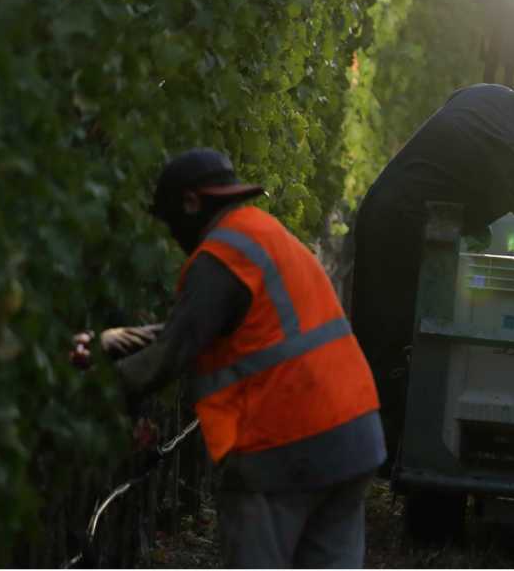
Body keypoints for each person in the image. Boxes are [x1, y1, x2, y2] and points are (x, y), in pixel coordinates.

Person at [112, 148, 386, 568]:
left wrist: (98, 385)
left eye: (170, 221)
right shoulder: (266, 234)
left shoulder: (221, 256)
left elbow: (170, 354)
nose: (172, 236)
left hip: (285, 447)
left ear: (190, 203)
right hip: (353, 435)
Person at [347, 79, 514, 460]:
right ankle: (371, 451)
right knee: (391, 338)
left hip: (397, 210)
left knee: (389, 334)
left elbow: (457, 152)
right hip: (399, 227)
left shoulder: (488, 94)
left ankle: (375, 444)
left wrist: (472, 216)